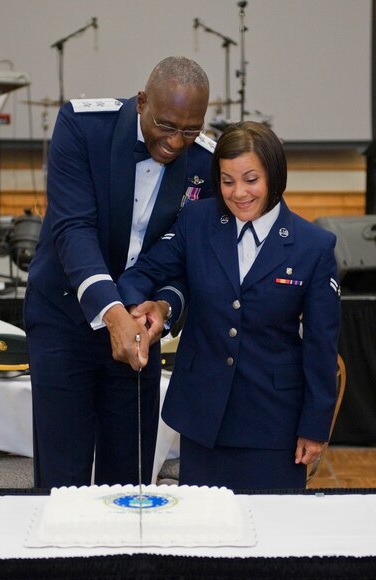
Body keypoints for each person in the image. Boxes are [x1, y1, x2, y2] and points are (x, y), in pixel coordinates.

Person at [23, 56, 215, 488]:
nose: (176, 143)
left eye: (190, 130)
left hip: (138, 331)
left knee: (128, 481)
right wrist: (112, 313)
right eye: (166, 126)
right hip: (64, 319)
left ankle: (123, 559)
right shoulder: (83, 125)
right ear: (142, 101)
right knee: (62, 478)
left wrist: (163, 307)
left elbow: (184, 253)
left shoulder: (204, 159)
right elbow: (72, 229)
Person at [117, 121, 341, 490]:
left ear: (275, 175)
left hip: (274, 423)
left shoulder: (313, 245)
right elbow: (146, 272)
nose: (238, 193)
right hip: (202, 418)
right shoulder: (198, 220)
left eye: (250, 179)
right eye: (227, 181)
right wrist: (134, 308)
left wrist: (314, 427)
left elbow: (321, 344)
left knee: (270, 536)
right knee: (204, 536)